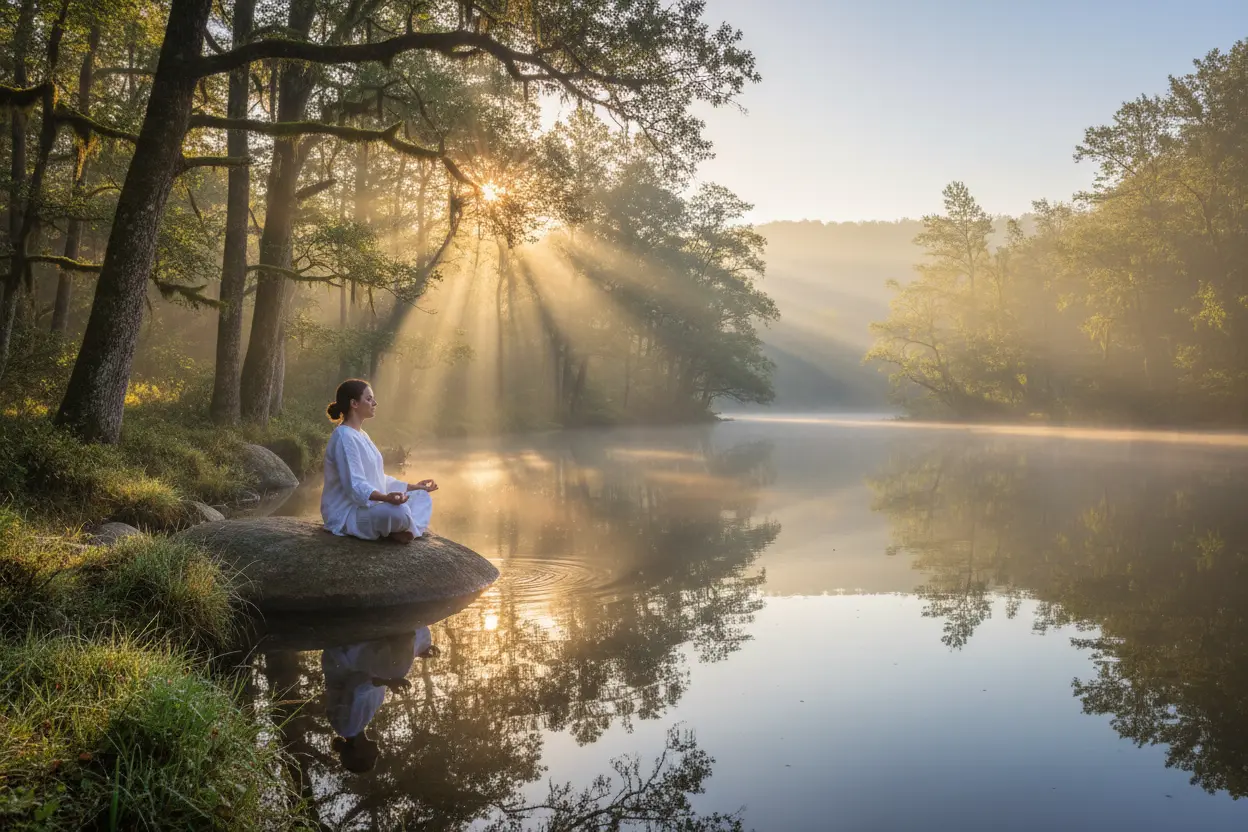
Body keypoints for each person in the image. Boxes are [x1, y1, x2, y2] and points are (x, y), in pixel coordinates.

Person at [321, 378, 439, 544]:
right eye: (369, 399)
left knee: (421, 496)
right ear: (354, 403)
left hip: (369, 507)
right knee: (398, 512)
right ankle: (405, 529)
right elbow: (355, 486)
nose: (374, 403)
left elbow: (379, 478)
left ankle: (404, 530)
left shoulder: (361, 434)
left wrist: (413, 487)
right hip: (348, 514)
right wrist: (386, 498)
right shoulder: (344, 437)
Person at [323, 627, 441, 773]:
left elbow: (355, 685)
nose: (377, 754)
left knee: (397, 670)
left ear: (358, 754)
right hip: (358, 661)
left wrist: (388, 682)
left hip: (345, 657)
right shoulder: (358, 725)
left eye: (373, 758)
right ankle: (407, 632)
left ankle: (405, 628)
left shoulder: (348, 726)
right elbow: (374, 677)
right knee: (397, 669)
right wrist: (415, 654)